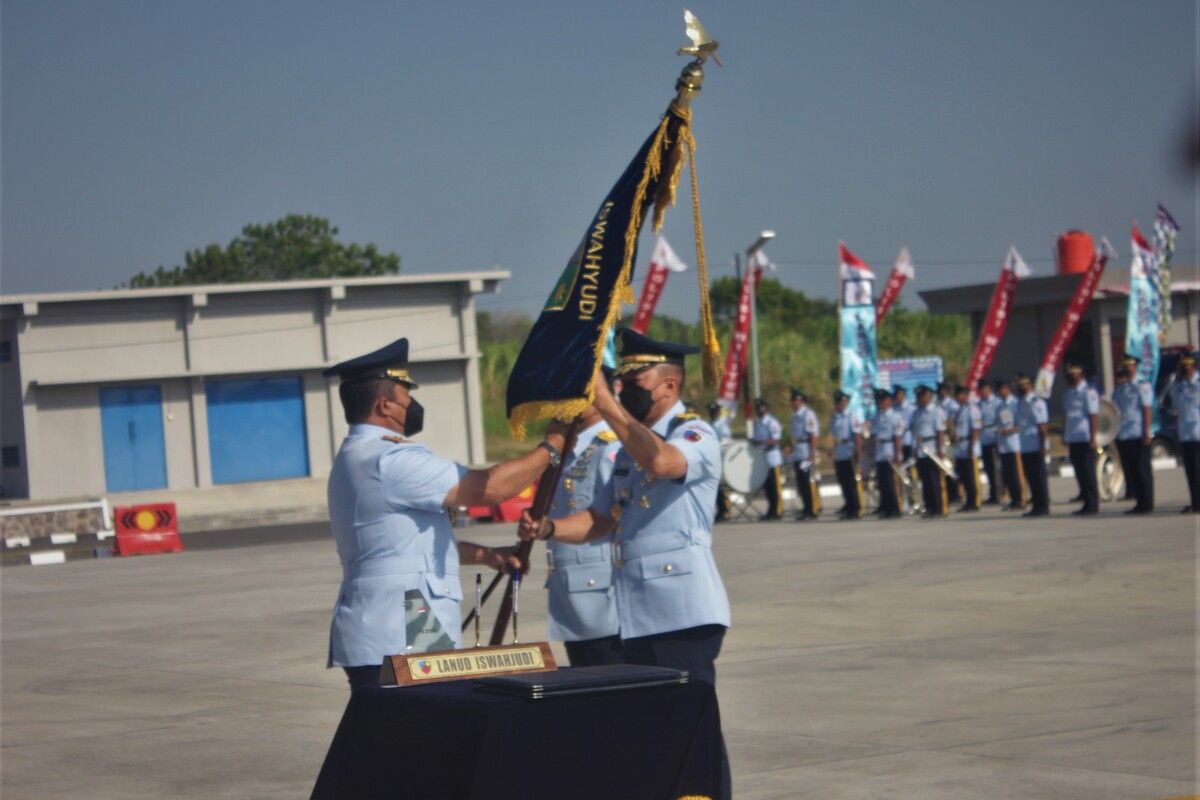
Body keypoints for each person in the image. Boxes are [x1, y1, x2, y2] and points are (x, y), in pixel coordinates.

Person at [519, 328, 732, 794]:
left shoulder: (692, 433)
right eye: (625, 376)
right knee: (650, 738)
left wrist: (607, 405)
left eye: (639, 377)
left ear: (669, 386)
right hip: (636, 616)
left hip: (682, 614)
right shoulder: (632, 450)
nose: (627, 385)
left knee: (691, 735)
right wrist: (550, 529)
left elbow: (664, 464)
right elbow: (601, 519)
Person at [322, 337, 561, 692]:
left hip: (393, 624)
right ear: (385, 405)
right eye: (406, 397)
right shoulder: (391, 460)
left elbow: (406, 546)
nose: (412, 405)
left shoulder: (358, 455)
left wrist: (488, 556)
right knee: (420, 740)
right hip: (405, 627)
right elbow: (489, 488)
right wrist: (553, 446)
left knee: (413, 740)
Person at [545, 372, 624, 667]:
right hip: (570, 596)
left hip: (602, 599)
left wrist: (549, 529)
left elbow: (606, 518)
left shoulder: (611, 446)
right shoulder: (566, 447)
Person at [1112, 355, 1154, 514]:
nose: (1128, 368)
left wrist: (1146, 430)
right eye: (1126, 366)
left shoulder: (1142, 386)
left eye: (1131, 366)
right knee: (1132, 470)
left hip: (1138, 432)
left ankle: (1147, 503)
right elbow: (1115, 410)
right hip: (1125, 434)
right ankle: (1139, 502)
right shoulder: (1122, 388)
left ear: (1135, 367)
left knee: (1142, 470)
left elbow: (1146, 408)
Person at [1061, 363, 1101, 516]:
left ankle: (1092, 503)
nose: (1072, 377)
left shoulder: (1088, 392)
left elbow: (1094, 416)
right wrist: (1065, 434)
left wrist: (1093, 437)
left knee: (1088, 471)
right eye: (1070, 375)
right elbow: (1066, 415)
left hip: (1085, 436)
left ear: (1081, 375)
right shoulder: (1068, 393)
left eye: (1075, 374)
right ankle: (1085, 501)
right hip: (1073, 436)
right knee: (1079, 471)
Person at [1015, 374, 1051, 517]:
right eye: (1019, 386)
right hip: (1025, 446)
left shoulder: (1036, 403)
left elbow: (1042, 427)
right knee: (1031, 478)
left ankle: (1043, 506)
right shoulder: (1021, 403)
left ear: (1030, 386)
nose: (1021, 388)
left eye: (1024, 385)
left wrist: (1043, 447)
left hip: (1036, 446)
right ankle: (1036, 505)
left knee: (1039, 478)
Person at [910, 384, 948, 518]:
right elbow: (914, 432)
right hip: (920, 449)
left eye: (922, 396)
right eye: (918, 396)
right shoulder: (916, 412)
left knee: (935, 480)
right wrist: (914, 449)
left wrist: (941, 450)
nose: (920, 399)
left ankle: (939, 508)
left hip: (932, 448)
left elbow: (940, 432)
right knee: (925, 481)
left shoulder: (936, 411)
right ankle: (930, 507)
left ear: (929, 396)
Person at [869, 388, 904, 519]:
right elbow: (873, 435)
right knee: (882, 482)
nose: (880, 403)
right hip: (880, 450)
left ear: (889, 401)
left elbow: (898, 437)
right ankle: (885, 507)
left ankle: (895, 508)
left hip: (890, 449)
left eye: (882, 400)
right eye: (878, 401)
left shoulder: (895, 416)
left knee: (891, 483)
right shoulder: (877, 416)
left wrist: (898, 454)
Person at [1172, 354, 1200, 513]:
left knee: (1198, 469)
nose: (1185, 369)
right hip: (1185, 433)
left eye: (1188, 366)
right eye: (1183, 366)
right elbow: (1176, 406)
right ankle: (1195, 503)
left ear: (1194, 366)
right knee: (1190, 471)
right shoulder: (1178, 385)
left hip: (1198, 433)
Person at [830, 390, 864, 519]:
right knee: (843, 482)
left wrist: (858, 452)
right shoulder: (835, 417)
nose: (842, 404)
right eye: (839, 402)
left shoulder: (851, 416)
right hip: (839, 453)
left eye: (844, 402)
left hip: (849, 451)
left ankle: (855, 508)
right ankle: (848, 506)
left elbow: (858, 435)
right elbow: (833, 436)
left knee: (851, 482)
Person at [994, 378, 1027, 511]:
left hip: (1014, 444)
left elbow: (1021, 424)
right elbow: (998, 423)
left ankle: (1021, 499)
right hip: (1003, 445)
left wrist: (1010, 430)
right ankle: (1014, 500)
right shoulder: (1000, 406)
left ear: (1007, 389)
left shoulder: (1015, 404)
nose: (1000, 392)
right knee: (1007, 475)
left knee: (1017, 474)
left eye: (1001, 389)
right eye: (998, 390)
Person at [750, 397, 785, 520]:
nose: (760, 409)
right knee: (768, 488)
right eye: (758, 407)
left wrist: (761, 442)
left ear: (766, 408)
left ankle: (778, 510)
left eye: (762, 407)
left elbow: (775, 440)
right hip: (763, 459)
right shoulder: (757, 423)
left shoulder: (772, 422)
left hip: (773, 459)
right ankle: (771, 510)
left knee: (776, 487)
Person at [789, 389, 821, 520]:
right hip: (798, 452)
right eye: (792, 401)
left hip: (806, 452)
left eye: (796, 400)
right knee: (801, 483)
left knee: (807, 482)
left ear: (801, 401)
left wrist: (812, 454)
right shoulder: (795, 416)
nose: (794, 403)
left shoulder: (808, 414)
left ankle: (811, 510)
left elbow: (813, 435)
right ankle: (806, 508)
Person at [953, 384, 983, 512]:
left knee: (972, 476)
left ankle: (974, 501)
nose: (958, 398)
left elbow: (976, 428)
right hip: (960, 446)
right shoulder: (960, 410)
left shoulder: (973, 410)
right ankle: (968, 501)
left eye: (960, 395)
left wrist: (972, 445)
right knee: (963, 476)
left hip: (969, 445)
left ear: (965, 395)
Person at [894, 385, 919, 512]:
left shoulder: (911, 409)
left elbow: (915, 428)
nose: (898, 396)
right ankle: (901, 501)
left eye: (900, 394)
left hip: (908, 443)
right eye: (896, 394)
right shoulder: (893, 409)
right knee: (899, 474)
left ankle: (914, 500)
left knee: (911, 474)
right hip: (898, 446)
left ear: (903, 394)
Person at [977, 380, 1002, 504]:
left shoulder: (997, 402)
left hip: (995, 437)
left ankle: (1001, 492)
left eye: (984, 389)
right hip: (984, 438)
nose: (983, 392)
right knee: (989, 468)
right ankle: (993, 494)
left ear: (989, 389)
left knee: (997, 468)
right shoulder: (979, 404)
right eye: (981, 390)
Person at [938, 381, 963, 504]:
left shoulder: (952, 404)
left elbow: (953, 421)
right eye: (940, 390)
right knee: (944, 467)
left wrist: (951, 430)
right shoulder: (939, 404)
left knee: (952, 467)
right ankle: (948, 493)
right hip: (943, 438)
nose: (941, 392)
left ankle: (956, 494)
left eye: (943, 389)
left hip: (950, 437)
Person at [708, 402, 733, 522]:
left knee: (722, 486)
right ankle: (720, 510)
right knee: (716, 486)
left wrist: (715, 446)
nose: (713, 413)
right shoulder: (711, 424)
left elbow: (726, 440)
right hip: (713, 459)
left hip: (721, 457)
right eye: (711, 411)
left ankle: (726, 510)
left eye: (715, 411)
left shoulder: (722, 424)